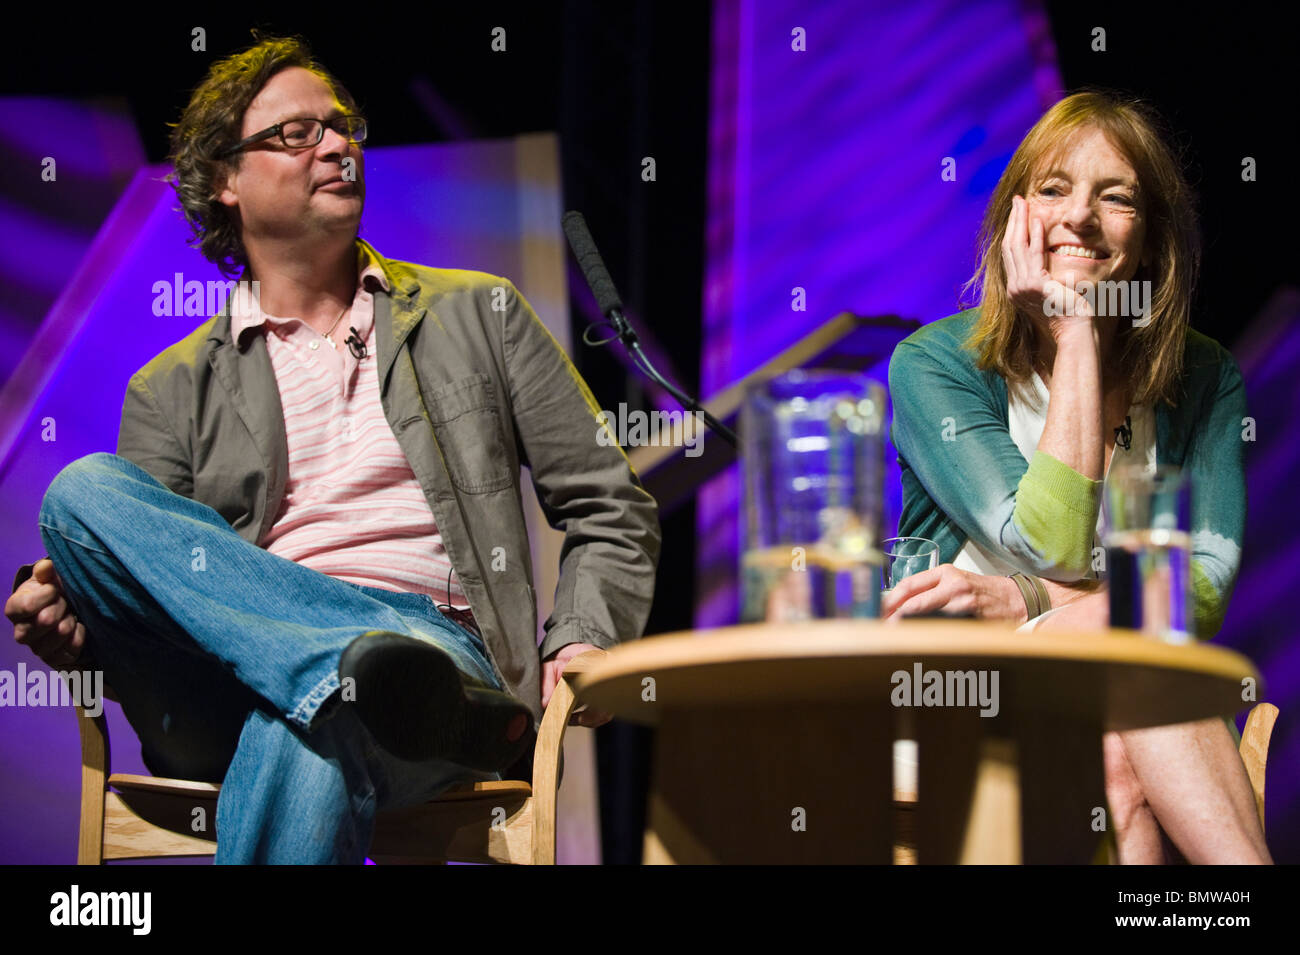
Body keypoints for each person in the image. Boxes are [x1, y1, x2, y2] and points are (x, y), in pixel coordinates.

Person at [4, 34, 660, 863]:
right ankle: (352, 658)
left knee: (319, 718)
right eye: (296, 134)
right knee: (80, 493)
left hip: (436, 667)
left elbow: (608, 500)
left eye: (343, 126)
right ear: (224, 182)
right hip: (224, 684)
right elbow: (153, 597)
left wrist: (582, 634)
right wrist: (71, 616)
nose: (338, 145)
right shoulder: (168, 388)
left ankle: (368, 673)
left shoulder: (477, 314)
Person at [882, 90, 1271, 864]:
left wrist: (1025, 598)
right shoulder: (932, 364)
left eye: (1116, 196)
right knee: (1139, 649)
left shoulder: (1205, 376)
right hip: (961, 690)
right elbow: (1052, 542)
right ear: (1015, 216)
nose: (1080, 217)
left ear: (1153, 238)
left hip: (1133, 708)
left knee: (1129, 713)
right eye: (1055, 188)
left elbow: (1203, 588)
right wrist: (1077, 330)